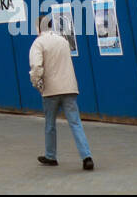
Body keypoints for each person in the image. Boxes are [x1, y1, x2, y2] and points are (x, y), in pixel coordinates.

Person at [28, 13, 93, 170]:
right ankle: (86, 157)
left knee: (50, 124)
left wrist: (36, 84)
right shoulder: (63, 41)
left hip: (51, 90)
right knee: (75, 123)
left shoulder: (38, 43)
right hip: (69, 87)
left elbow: (36, 67)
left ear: (39, 27)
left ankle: (51, 156)